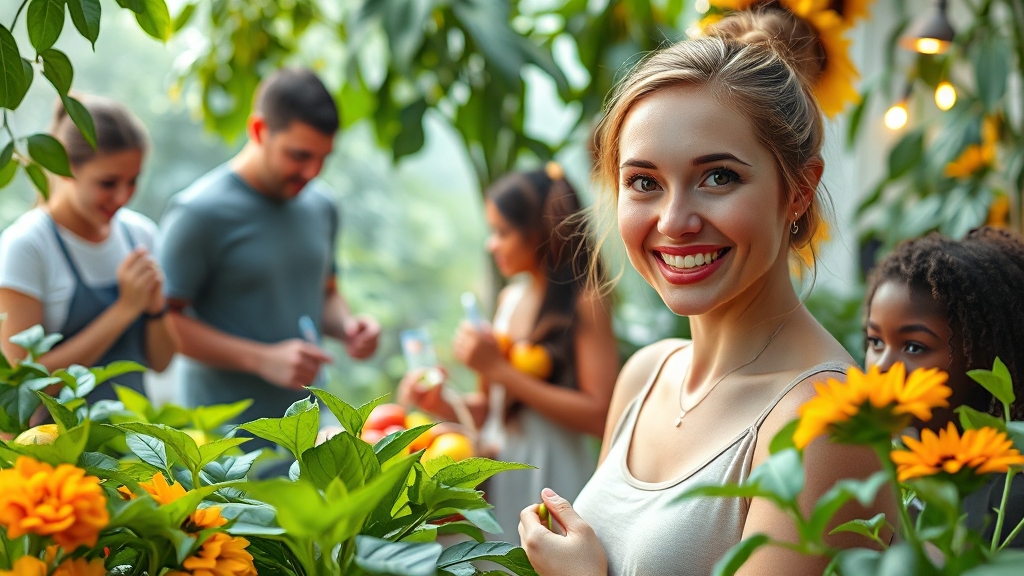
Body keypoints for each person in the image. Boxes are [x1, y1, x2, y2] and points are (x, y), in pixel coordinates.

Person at [517, 7, 897, 576]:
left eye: (718, 176)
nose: (674, 221)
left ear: (798, 191)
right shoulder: (645, 376)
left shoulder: (824, 420)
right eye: (644, 182)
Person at [398, 163, 619, 540]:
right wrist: (440, 402)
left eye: (501, 232)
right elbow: (490, 413)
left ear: (538, 234)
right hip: (502, 474)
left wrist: (500, 370)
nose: (492, 244)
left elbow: (602, 415)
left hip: (554, 476)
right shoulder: (510, 299)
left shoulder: (585, 303)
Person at [158, 68, 380, 441]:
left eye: (323, 157)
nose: (312, 171)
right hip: (224, 446)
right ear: (259, 131)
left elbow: (323, 292)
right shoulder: (197, 213)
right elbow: (162, 324)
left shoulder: (322, 205)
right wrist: (261, 359)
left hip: (308, 434)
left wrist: (348, 327)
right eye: (299, 155)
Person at [0, 96, 174, 401]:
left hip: (136, 443)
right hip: (56, 444)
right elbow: (20, 388)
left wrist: (155, 305)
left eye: (133, 181)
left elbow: (161, 361)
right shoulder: (26, 246)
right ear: (65, 166)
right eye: (108, 183)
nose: (122, 197)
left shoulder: (140, 234)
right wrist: (125, 309)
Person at [864, 226, 1024, 548]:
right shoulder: (878, 470)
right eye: (875, 342)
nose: (882, 368)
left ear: (986, 358)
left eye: (914, 347)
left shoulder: (1008, 495)